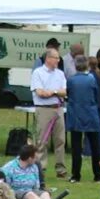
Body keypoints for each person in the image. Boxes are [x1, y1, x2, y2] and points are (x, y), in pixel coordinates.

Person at [64, 54, 100, 184]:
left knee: (76, 146)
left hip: (76, 115)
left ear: (75, 66)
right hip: (91, 114)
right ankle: (98, 174)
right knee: (95, 146)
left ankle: (76, 175)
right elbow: (96, 95)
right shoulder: (92, 79)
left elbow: (68, 95)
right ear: (87, 65)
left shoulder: (71, 80)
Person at [29, 47, 68, 178]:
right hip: (44, 109)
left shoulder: (60, 74)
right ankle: (41, 169)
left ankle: (61, 169)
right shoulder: (38, 73)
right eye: (56, 57)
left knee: (60, 140)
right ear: (48, 58)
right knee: (42, 140)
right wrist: (54, 92)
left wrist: (53, 92)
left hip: (58, 108)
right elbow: (40, 93)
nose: (58, 60)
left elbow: (65, 91)